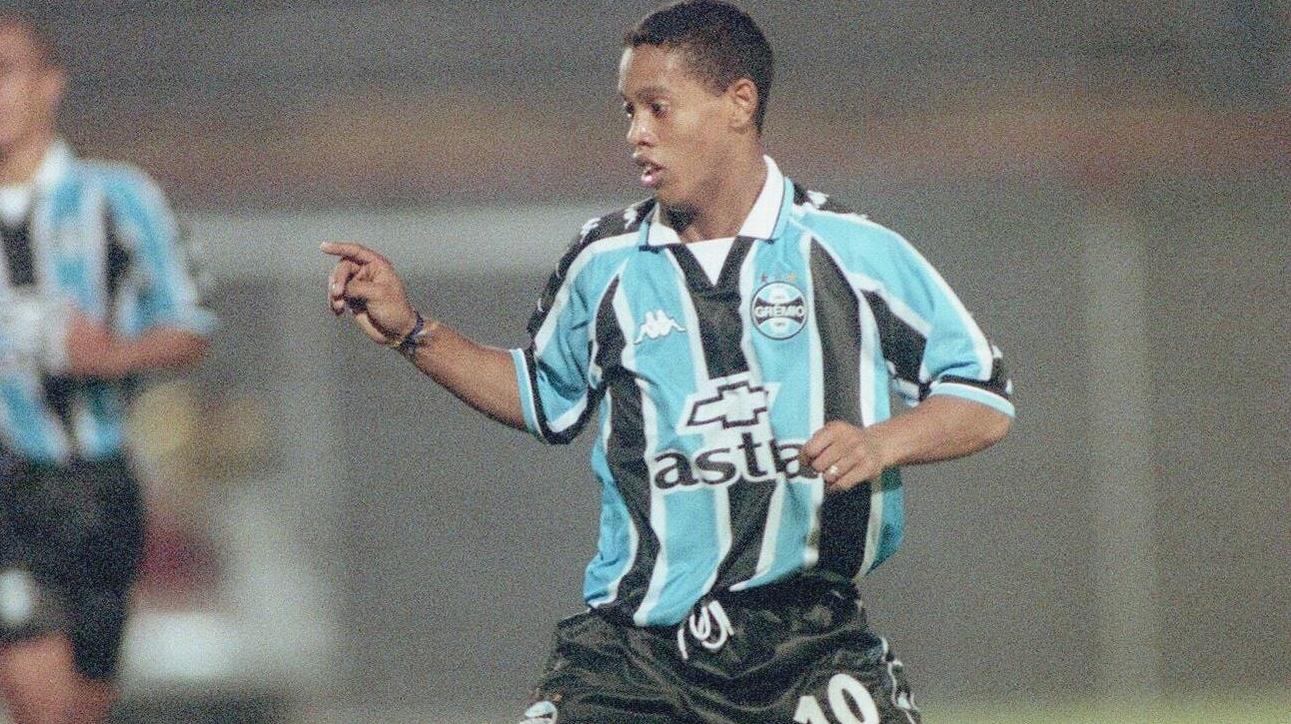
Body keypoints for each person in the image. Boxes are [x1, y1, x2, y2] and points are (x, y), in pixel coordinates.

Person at [324, 1, 1013, 721]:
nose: (636, 134)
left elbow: (983, 399)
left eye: (657, 107)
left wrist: (881, 441)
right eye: (627, 111)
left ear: (736, 103)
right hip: (633, 657)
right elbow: (540, 394)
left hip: (805, 648)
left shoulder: (852, 251)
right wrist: (414, 333)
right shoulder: (606, 261)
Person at [0, 12, 213, 724]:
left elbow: (188, 325)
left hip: (94, 489)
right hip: (7, 487)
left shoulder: (119, 198)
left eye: (5, 71)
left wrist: (110, 356)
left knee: (83, 704)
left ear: (48, 84)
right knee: (39, 699)